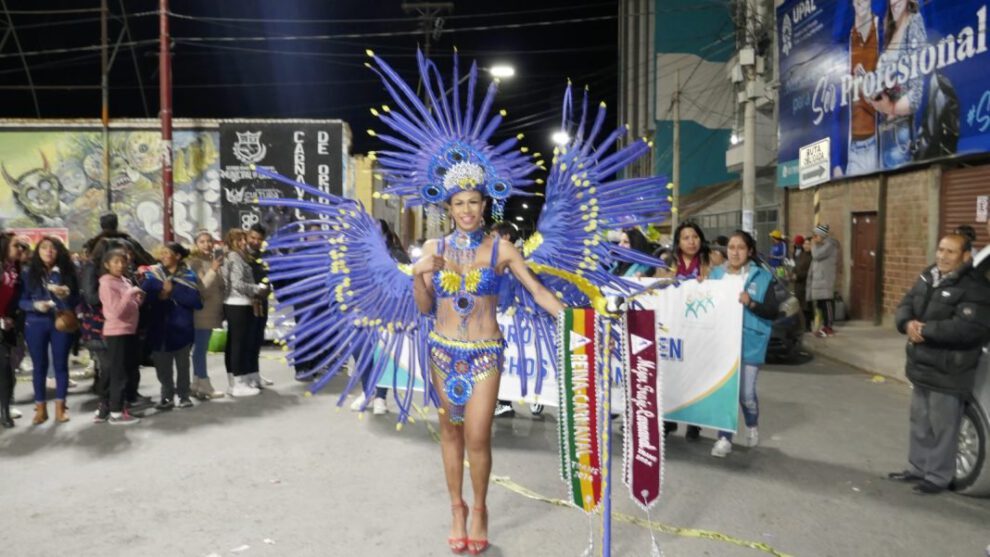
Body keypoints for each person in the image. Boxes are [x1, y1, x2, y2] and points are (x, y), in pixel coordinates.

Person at [412, 188, 566, 554]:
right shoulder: (434, 248)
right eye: (458, 203)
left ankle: (479, 508)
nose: (466, 210)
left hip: (485, 353)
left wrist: (576, 321)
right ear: (449, 208)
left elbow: (538, 291)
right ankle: (457, 510)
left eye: (473, 202)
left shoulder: (501, 249)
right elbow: (424, 307)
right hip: (442, 352)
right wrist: (417, 274)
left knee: (478, 436)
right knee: (450, 432)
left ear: (484, 206)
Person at [890, 234, 990, 493]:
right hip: (922, 363)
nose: (942, 256)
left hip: (950, 368)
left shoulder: (975, 287)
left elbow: (968, 328)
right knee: (920, 420)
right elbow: (906, 303)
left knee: (944, 425)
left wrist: (925, 330)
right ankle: (917, 468)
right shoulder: (928, 276)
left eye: (950, 252)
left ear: (966, 256)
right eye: (941, 250)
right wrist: (907, 323)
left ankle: (937, 477)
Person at [708, 230, 779, 458]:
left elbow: (772, 311)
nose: (735, 252)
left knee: (746, 395)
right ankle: (724, 438)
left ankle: (752, 424)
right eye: (731, 247)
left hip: (750, 343)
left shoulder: (762, 277)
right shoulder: (716, 275)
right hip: (722, 343)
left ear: (749, 251)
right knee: (726, 393)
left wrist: (751, 303)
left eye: (740, 247)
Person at [19, 236, 79, 424]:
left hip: (61, 321)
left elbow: (77, 299)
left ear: (59, 251)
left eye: (52, 248)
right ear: (38, 251)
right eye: (44, 248)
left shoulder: (68, 271)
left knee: (61, 364)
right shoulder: (29, 273)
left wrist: (66, 294)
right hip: (36, 322)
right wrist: (35, 306)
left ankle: (61, 408)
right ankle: (40, 408)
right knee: (39, 366)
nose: (48, 251)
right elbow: (21, 301)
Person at [142, 243, 203, 410]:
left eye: (167, 253)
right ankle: (167, 396)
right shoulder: (153, 275)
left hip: (182, 329)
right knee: (162, 367)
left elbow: (196, 302)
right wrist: (161, 294)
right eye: (161, 253)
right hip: (159, 328)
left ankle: (184, 396)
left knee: (183, 366)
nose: (163, 256)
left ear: (177, 256)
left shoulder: (189, 275)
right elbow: (144, 298)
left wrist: (173, 290)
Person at [870, 0, 927, 170]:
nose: (893, 2)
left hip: (902, 130)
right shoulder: (891, 31)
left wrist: (890, 108)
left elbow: (916, 96)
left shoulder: (914, 22)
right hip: (886, 130)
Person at [96, 249, 144, 425]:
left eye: (123, 262)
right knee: (119, 373)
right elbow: (114, 311)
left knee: (126, 370)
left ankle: (113, 408)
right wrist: (129, 294)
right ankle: (116, 412)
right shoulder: (107, 283)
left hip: (129, 330)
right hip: (117, 332)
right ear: (107, 264)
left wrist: (137, 299)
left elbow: (128, 306)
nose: (120, 265)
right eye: (115, 262)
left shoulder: (123, 280)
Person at [222, 229, 268, 397]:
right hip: (236, 303)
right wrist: (257, 288)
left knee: (242, 342)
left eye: (243, 239)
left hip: (243, 302)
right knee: (237, 344)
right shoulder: (234, 257)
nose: (244, 242)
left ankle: (241, 379)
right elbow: (237, 283)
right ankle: (238, 382)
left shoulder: (240, 256)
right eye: (240, 240)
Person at [188, 231, 226, 399]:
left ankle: (196, 383)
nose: (206, 244)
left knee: (200, 348)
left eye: (209, 241)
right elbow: (201, 288)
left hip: (213, 311)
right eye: (202, 241)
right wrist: (213, 270)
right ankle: (204, 382)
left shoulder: (213, 261)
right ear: (196, 244)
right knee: (200, 349)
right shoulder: (195, 263)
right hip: (201, 311)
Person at [846, 0, 880, 175]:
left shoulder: (881, 31)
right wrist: (836, 162)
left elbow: (893, 95)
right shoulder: (848, 39)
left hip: (876, 144)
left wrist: (868, 87)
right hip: (852, 149)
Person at [0, 232, 25, 428]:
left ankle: (5, 408)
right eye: (16, 245)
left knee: (8, 370)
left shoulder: (15, 268)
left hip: (7, 327)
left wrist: (11, 318)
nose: (20, 249)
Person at [246, 223, 273, 388]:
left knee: (257, 339)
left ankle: (255, 374)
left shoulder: (265, 256)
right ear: (247, 236)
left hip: (262, 302)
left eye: (259, 239)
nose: (255, 242)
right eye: (253, 238)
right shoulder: (241, 255)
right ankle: (245, 376)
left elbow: (270, 276)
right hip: (246, 303)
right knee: (247, 341)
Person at [808, 224, 839, 337]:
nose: (814, 238)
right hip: (819, 280)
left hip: (825, 279)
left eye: (816, 236)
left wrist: (813, 245)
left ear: (821, 235)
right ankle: (824, 326)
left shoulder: (829, 245)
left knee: (826, 303)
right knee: (821, 304)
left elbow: (816, 255)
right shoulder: (823, 245)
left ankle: (829, 327)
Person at [791, 235, 814, 331]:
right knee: (799, 305)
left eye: (809, 244)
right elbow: (796, 265)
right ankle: (801, 325)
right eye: (805, 243)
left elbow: (810, 271)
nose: (806, 246)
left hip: (807, 284)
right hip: (798, 284)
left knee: (807, 307)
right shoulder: (801, 254)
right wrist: (793, 273)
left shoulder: (813, 256)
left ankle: (808, 326)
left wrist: (799, 276)